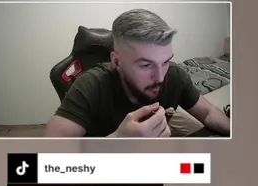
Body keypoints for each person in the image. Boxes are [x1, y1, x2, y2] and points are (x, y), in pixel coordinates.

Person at [42, 9, 231, 138]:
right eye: (146, 65)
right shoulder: (91, 85)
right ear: (117, 61)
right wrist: (118, 142)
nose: (160, 77)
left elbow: (208, 113)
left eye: (165, 61)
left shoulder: (174, 75)